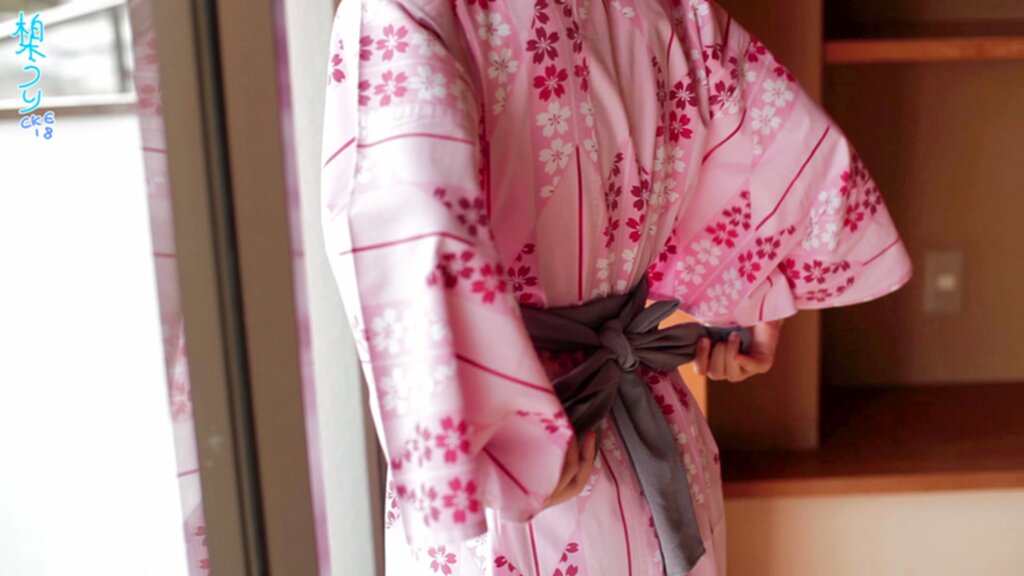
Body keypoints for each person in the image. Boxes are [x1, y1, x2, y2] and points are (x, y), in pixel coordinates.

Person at [320, 1, 912, 574]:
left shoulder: (407, 13)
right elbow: (768, 140)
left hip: (540, 468)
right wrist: (752, 296)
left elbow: (409, 234)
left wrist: (503, 456)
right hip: (652, 434)